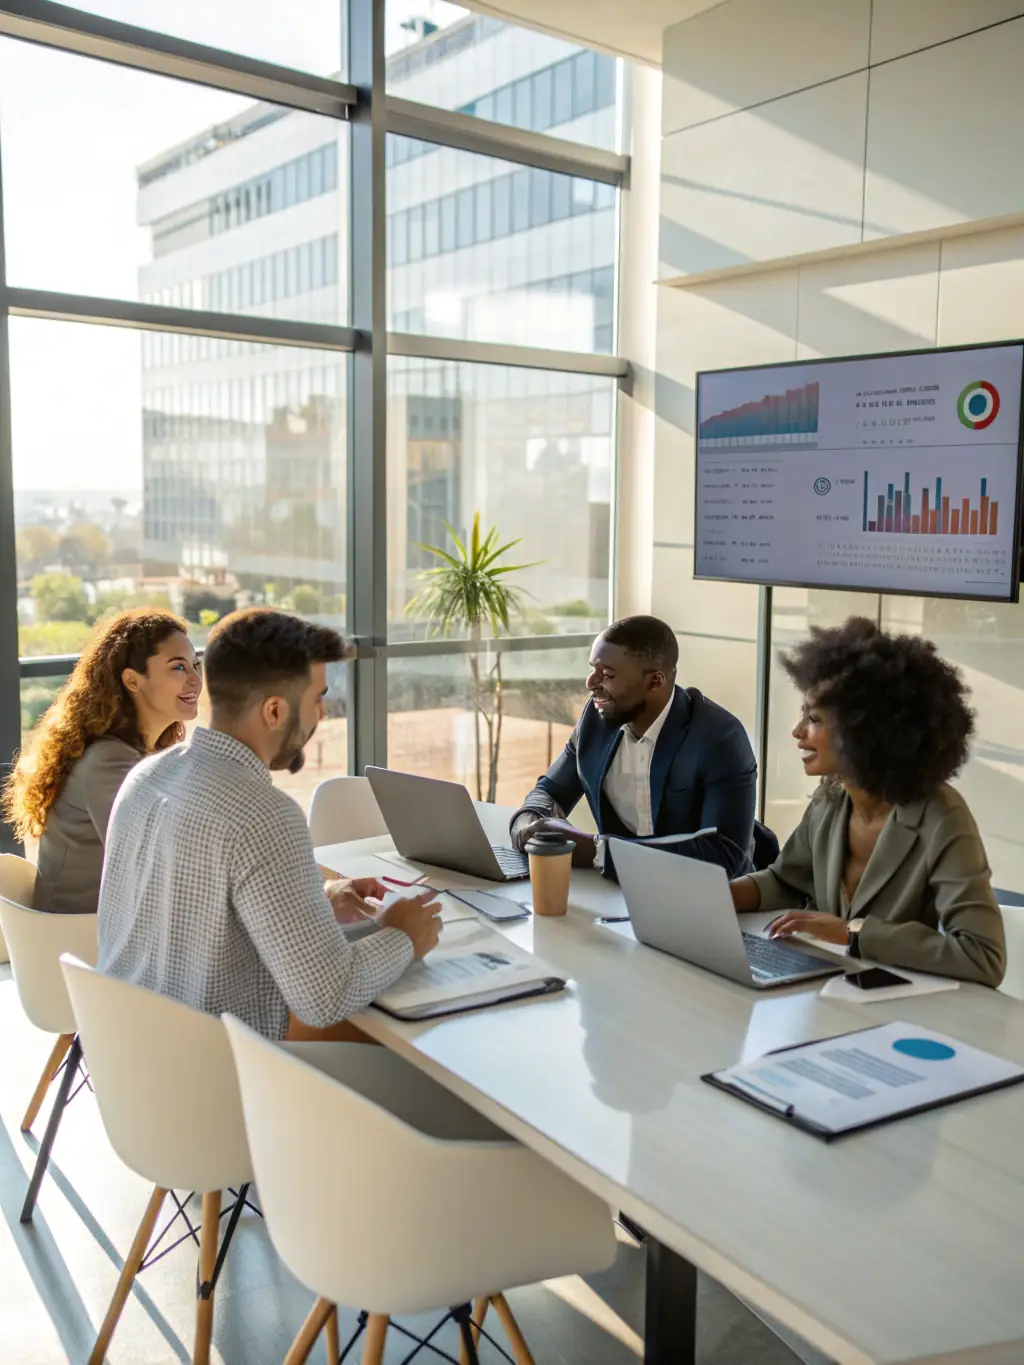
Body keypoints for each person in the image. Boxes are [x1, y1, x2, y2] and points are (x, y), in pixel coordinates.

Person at [97, 608, 440, 1039]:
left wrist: (316, 899)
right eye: (318, 699)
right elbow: (325, 997)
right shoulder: (265, 814)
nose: (323, 714)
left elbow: (193, 915)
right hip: (222, 1082)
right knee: (427, 1050)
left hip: (130, 1065)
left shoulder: (146, 776)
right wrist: (404, 935)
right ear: (275, 711)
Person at [731, 616, 1005, 987]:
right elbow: (788, 881)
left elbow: (982, 956)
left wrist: (853, 932)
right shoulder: (832, 795)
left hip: (900, 1007)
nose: (797, 732)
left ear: (864, 732)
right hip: (826, 987)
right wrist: (721, 894)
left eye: (814, 719)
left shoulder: (942, 817)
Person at [510, 615, 757, 878]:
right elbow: (550, 791)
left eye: (607, 674)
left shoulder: (719, 738)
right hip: (616, 894)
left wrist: (598, 851)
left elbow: (723, 856)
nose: (590, 683)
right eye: (593, 668)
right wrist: (528, 825)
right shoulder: (596, 719)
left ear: (654, 681)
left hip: (706, 901)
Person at [2, 610, 201, 915]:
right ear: (133, 680)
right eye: (178, 667)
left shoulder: (137, 751)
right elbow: (156, 865)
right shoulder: (110, 761)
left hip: (100, 932)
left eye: (195, 666)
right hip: (80, 942)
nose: (195, 679)